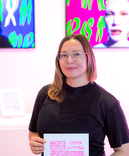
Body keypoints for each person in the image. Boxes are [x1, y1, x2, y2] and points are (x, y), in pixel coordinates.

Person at [28, 34, 129, 156]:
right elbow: (33, 132)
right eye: (64, 55)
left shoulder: (107, 102)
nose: (69, 60)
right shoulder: (45, 94)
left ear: (89, 57)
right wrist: (34, 142)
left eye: (76, 54)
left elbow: (124, 150)